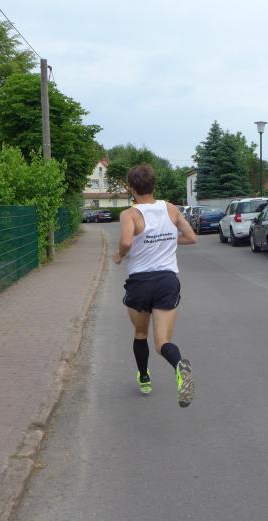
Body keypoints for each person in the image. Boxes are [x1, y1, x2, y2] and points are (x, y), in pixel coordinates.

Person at [113, 163, 197, 407]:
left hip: (140, 283)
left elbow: (126, 242)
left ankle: (144, 378)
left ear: (131, 188)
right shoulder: (171, 209)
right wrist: (166, 242)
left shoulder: (129, 214)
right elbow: (191, 237)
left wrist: (119, 255)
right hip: (166, 282)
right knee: (162, 342)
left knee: (141, 333)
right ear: (154, 185)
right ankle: (180, 366)